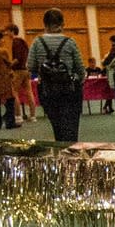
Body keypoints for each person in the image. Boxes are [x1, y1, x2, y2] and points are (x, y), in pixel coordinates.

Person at [27, 7, 86, 142]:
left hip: (48, 90)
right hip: (69, 90)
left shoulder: (37, 42)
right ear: (62, 24)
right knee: (71, 126)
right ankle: (71, 147)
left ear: (44, 24)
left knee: (57, 126)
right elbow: (80, 69)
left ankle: (60, 146)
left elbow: (30, 66)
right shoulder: (70, 42)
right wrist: (80, 79)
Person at [11, 27, 38, 124]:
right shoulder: (23, 42)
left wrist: (9, 65)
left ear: (12, 31)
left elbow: (17, 58)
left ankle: (18, 116)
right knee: (29, 92)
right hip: (26, 69)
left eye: (7, 31)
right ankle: (33, 115)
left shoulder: (15, 42)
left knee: (14, 92)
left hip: (18, 70)